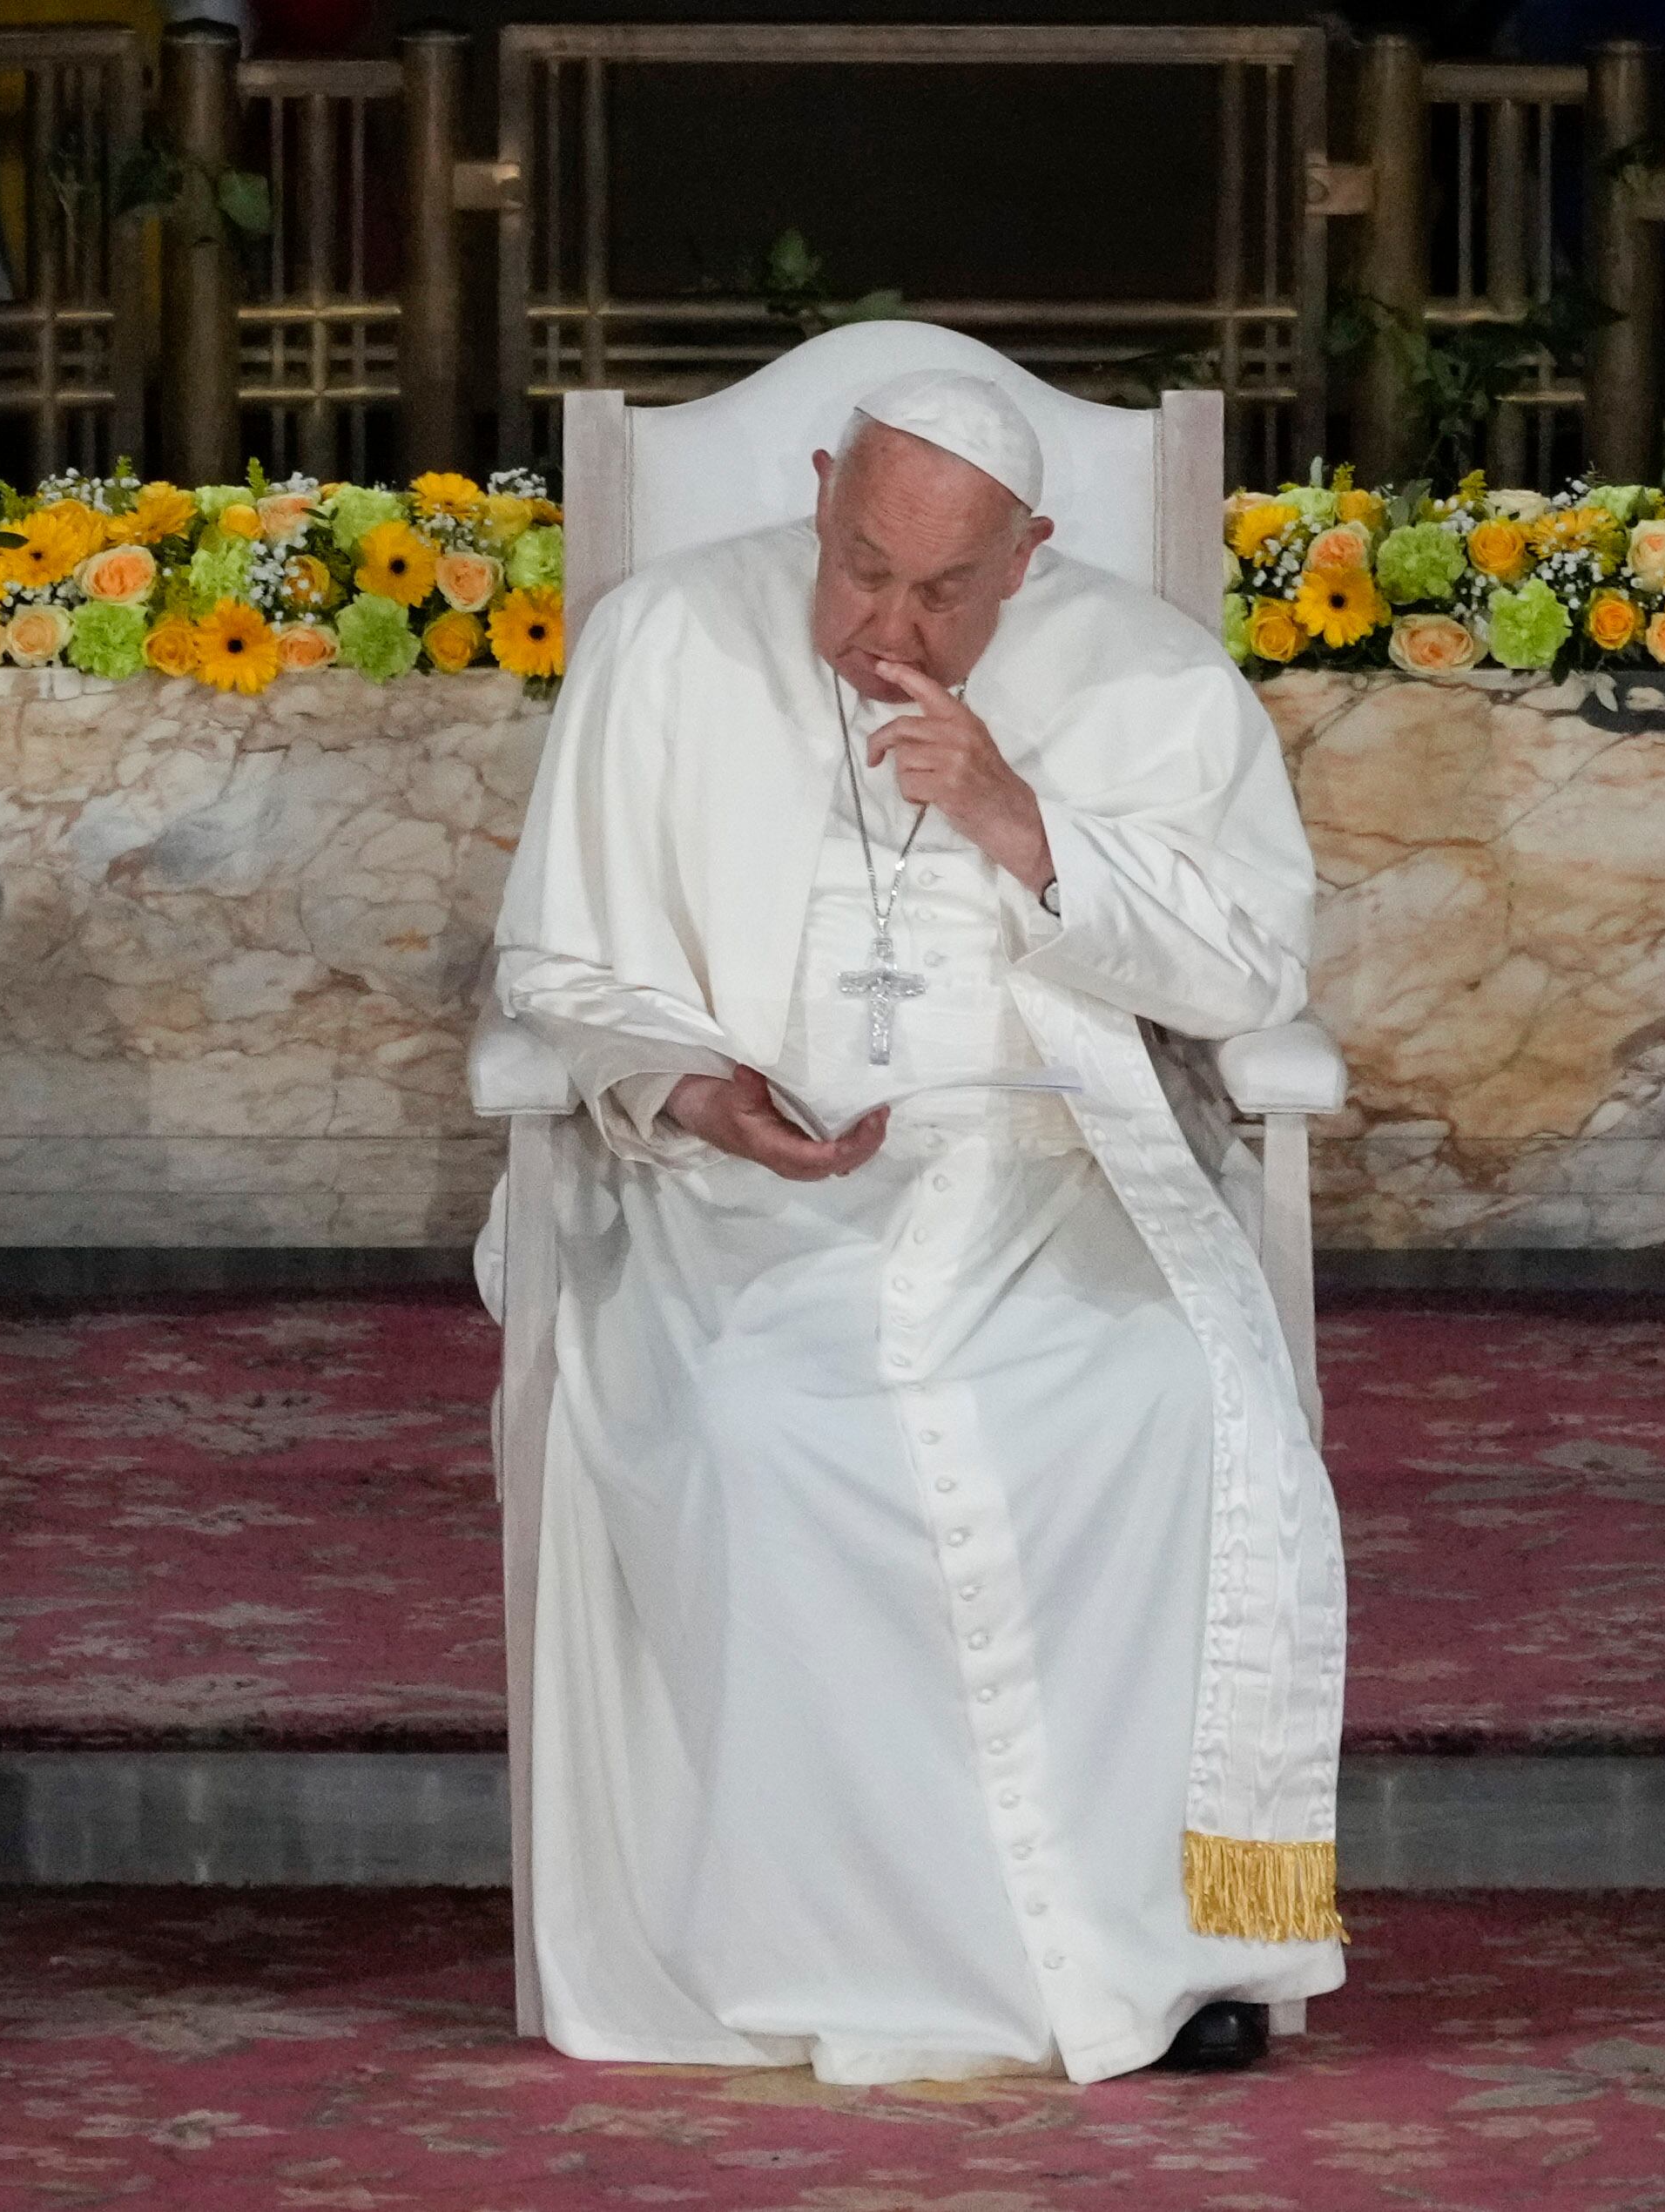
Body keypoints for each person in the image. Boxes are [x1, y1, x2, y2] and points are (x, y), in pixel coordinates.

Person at [483, 365, 1345, 2085]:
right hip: (741, 1187)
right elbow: (559, 969)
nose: (888, 617)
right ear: (819, 491)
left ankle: (1157, 1949)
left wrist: (1022, 818)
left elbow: (1252, 968)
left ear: (1028, 558)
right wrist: (695, 1090)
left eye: (941, 589)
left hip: (1054, 1167)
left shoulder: (1149, 673)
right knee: (756, 1421)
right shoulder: (665, 642)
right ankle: (843, 1946)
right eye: (863, 564)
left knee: (1168, 1407)